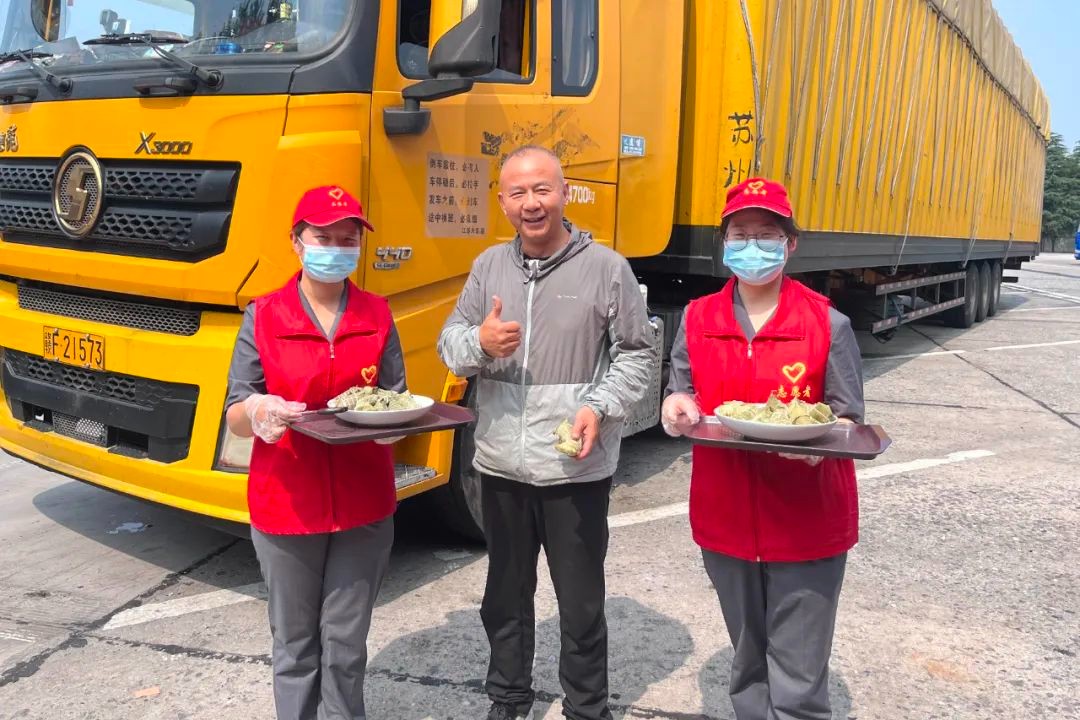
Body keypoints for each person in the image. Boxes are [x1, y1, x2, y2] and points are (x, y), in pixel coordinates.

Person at [437, 146, 655, 720]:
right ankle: (508, 698)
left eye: (542, 190)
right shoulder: (488, 266)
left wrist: (600, 407)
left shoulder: (606, 268)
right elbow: (450, 344)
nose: (531, 204)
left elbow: (637, 354)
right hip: (501, 466)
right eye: (518, 193)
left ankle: (587, 707)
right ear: (502, 201)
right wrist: (480, 344)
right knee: (504, 598)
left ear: (564, 193)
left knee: (580, 605)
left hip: (574, 467)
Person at [660, 177, 865, 720]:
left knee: (798, 680)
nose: (753, 245)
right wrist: (675, 406)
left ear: (789, 244)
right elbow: (683, 391)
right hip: (724, 517)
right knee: (748, 664)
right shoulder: (697, 318)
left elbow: (849, 418)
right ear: (724, 243)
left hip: (806, 523)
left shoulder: (826, 322)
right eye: (740, 234)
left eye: (767, 234)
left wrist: (821, 445)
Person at [224, 185, 405, 720]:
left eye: (348, 239)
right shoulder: (264, 314)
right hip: (286, 501)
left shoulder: (377, 313)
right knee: (295, 644)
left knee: (346, 645)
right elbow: (234, 409)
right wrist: (259, 410)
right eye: (323, 237)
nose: (337, 248)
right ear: (297, 242)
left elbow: (396, 396)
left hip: (363, 504)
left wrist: (394, 426)